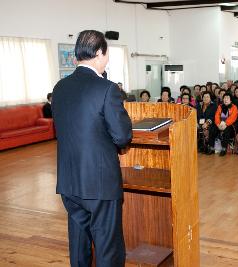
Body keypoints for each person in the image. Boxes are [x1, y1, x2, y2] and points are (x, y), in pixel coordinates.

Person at [51, 30, 132, 267]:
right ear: (99, 54)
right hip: (100, 183)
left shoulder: (60, 87)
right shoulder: (107, 89)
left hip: (69, 182)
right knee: (108, 247)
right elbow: (122, 135)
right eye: (106, 54)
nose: (107, 59)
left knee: (78, 246)